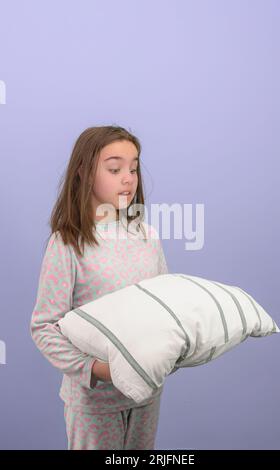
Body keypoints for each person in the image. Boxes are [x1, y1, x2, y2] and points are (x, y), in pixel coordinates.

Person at [30, 125, 169, 450]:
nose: (128, 178)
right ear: (84, 172)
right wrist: (97, 370)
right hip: (94, 403)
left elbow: (165, 307)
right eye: (114, 168)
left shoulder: (147, 237)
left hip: (147, 394)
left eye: (133, 168)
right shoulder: (67, 244)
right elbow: (44, 327)